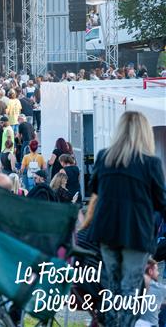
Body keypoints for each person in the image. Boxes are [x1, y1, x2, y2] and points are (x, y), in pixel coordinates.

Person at [88, 111, 165, 327]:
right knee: (131, 289)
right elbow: (162, 200)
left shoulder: (104, 157)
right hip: (136, 233)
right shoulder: (150, 163)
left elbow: (94, 188)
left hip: (107, 231)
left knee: (113, 288)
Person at [134, 258, 166, 327]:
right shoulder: (160, 288)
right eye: (156, 270)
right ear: (150, 271)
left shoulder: (131, 286)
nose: (158, 273)